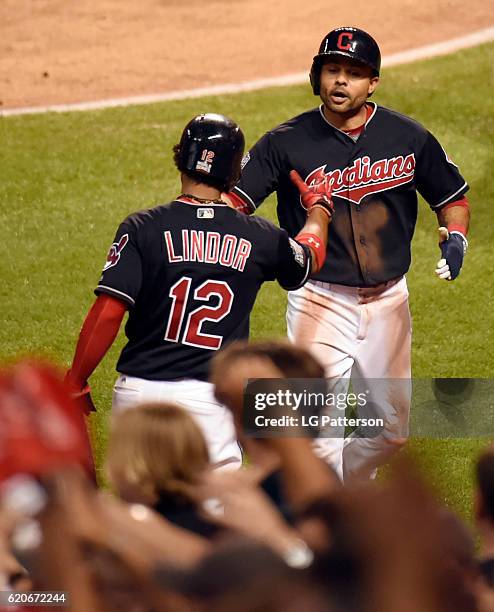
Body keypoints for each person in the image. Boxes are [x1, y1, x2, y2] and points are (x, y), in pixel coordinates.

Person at [224, 27, 470, 481]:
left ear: (372, 82)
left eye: (353, 73)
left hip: (390, 301)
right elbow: (233, 206)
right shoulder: (285, 142)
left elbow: (451, 197)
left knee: (391, 433)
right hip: (319, 300)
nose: (341, 81)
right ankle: (333, 533)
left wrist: (457, 237)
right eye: (332, 70)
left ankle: (351, 491)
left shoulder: (407, 136)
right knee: (320, 438)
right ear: (317, 76)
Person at [64, 113, 334, 468]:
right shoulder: (259, 236)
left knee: (144, 511)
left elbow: (108, 312)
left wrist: (76, 380)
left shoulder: (142, 227)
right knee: (217, 517)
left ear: (180, 158)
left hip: (139, 395)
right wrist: (319, 210)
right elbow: (309, 257)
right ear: (235, 174)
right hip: (210, 403)